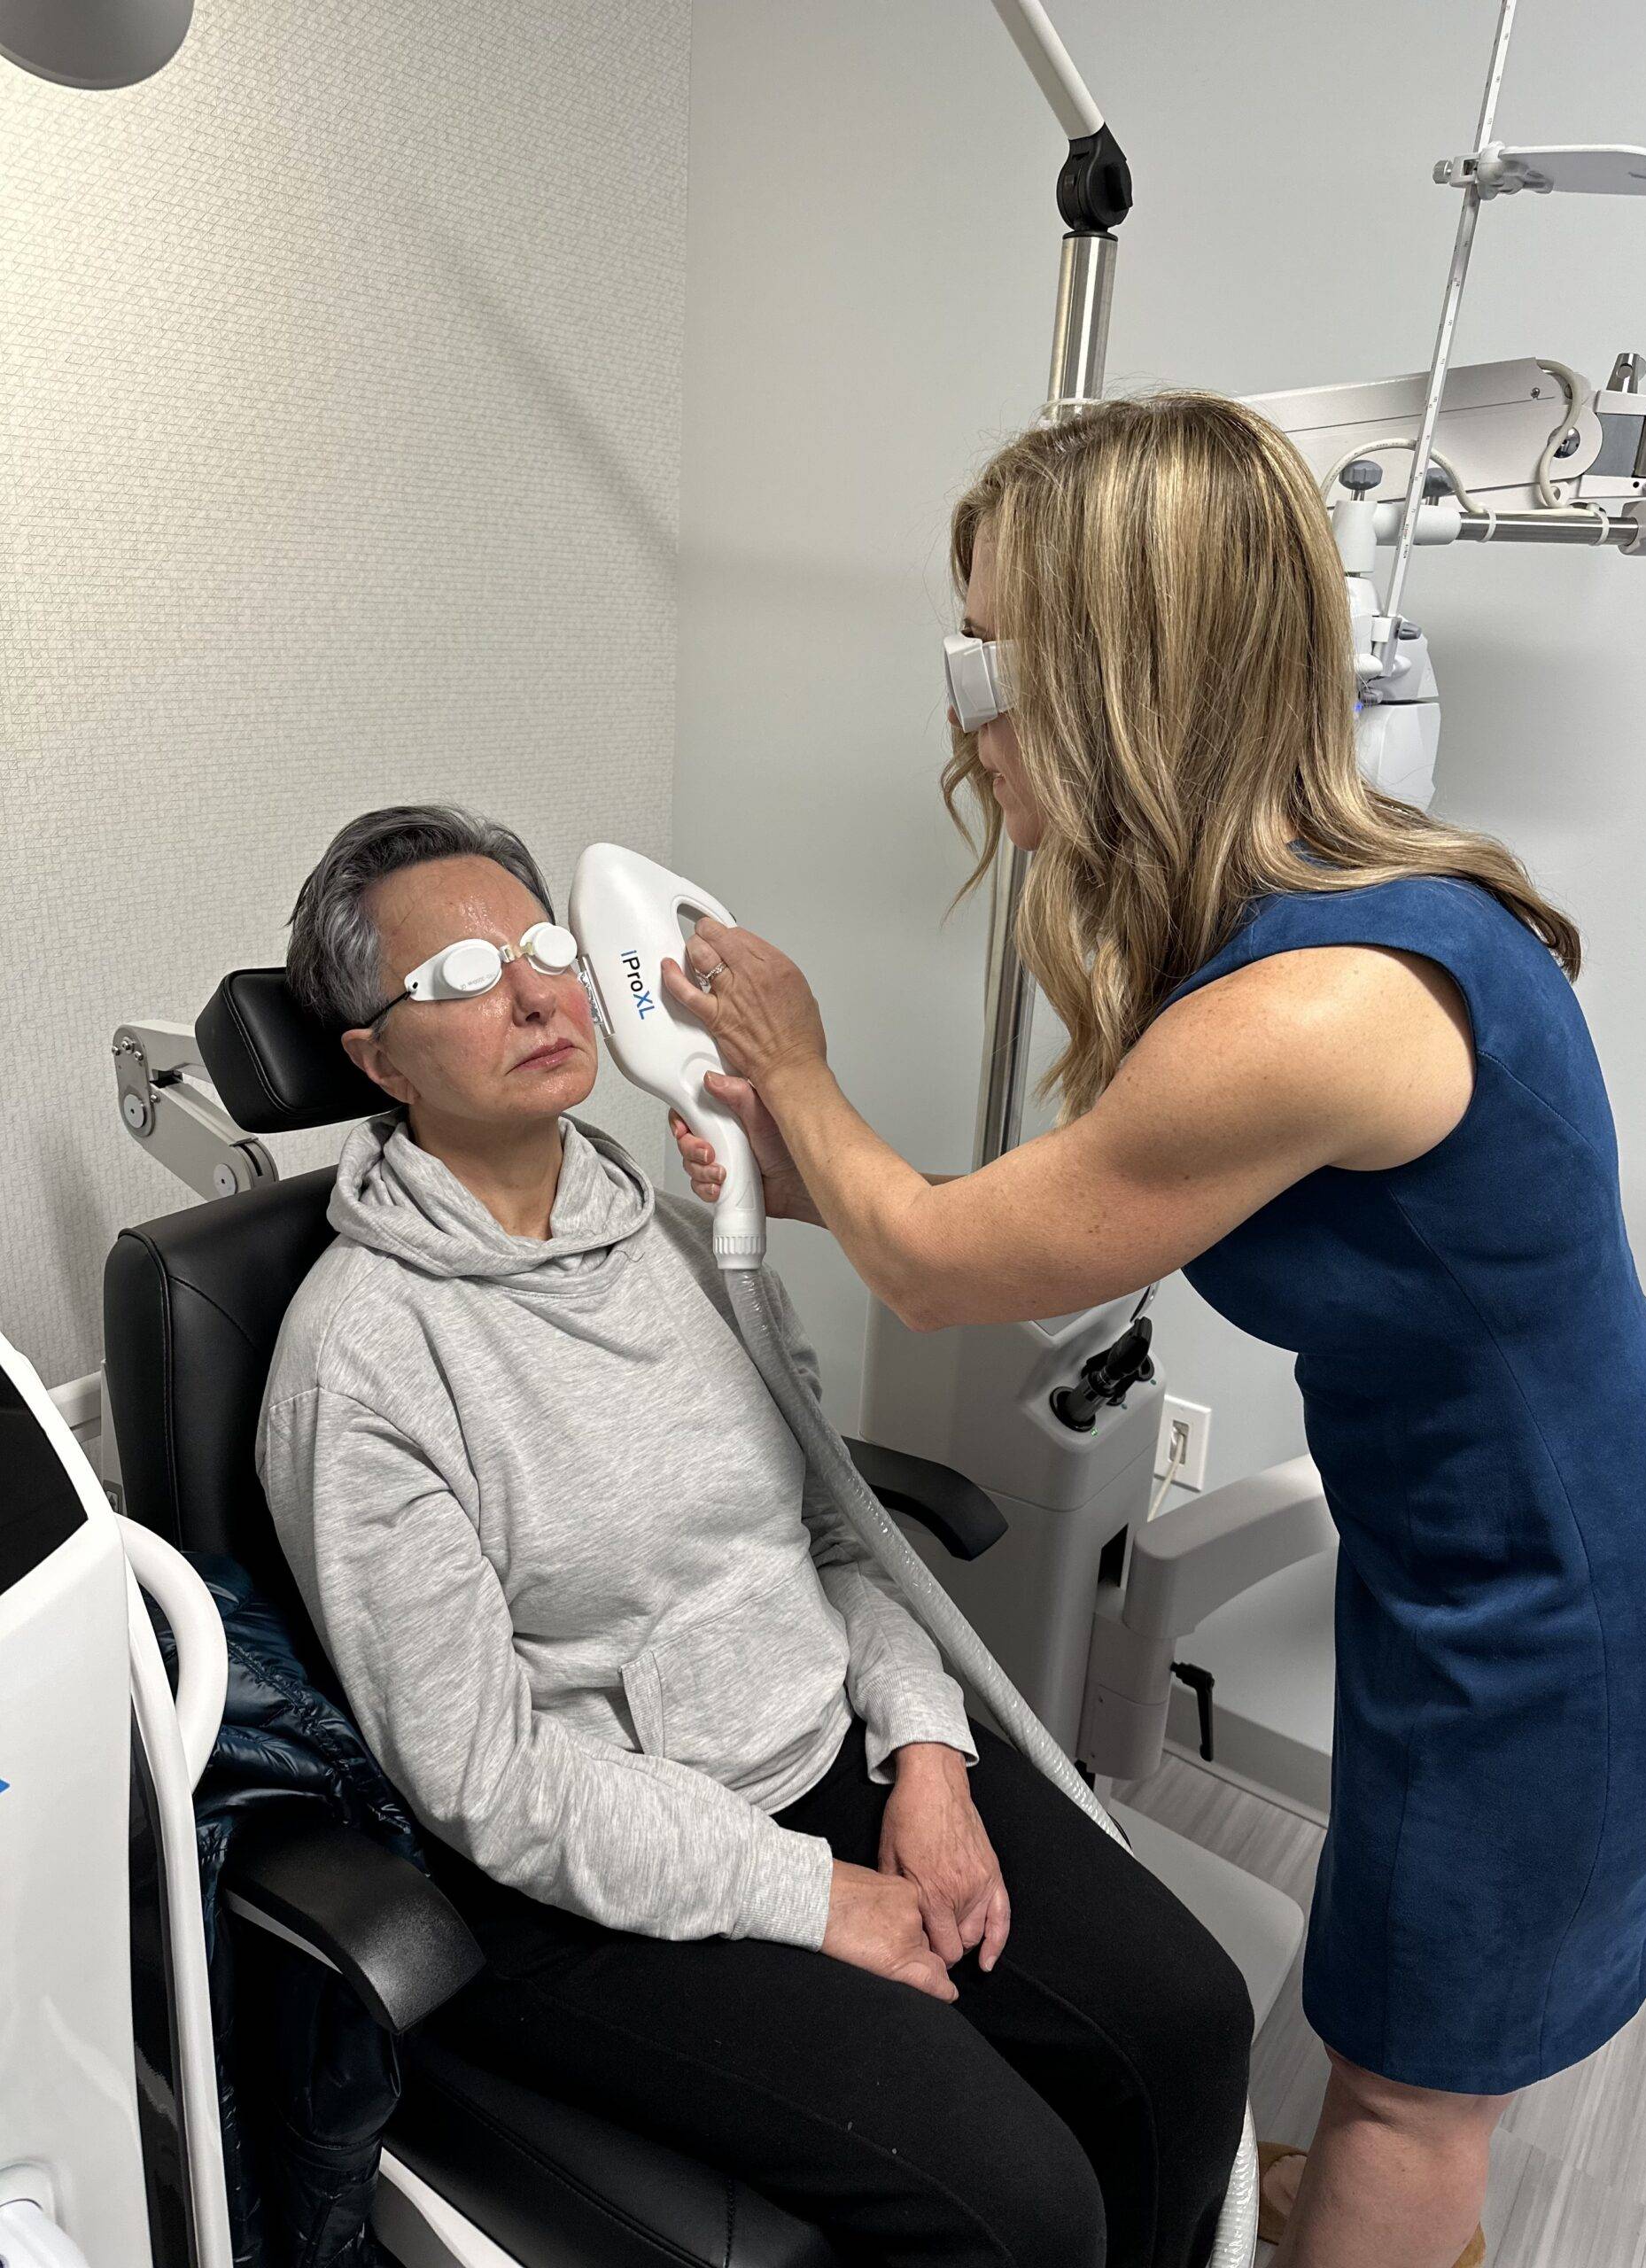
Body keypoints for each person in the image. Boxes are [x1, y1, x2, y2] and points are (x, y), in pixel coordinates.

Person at [661, 392, 1646, 2268]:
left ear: (1127, 668)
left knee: (1409, 2084)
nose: (966, 721)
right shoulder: (1340, 907)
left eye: (989, 657)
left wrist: (796, 1064)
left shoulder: (1310, 1010)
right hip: (1512, 1517)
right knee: (1403, 2009)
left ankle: (1382, 2199)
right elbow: (1049, 1218)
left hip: (1571, 1589)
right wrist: (814, 1177)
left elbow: (943, 1271)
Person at [256, 802, 1253, 2268]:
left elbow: (837, 1539)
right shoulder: (362, 1364)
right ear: (377, 1059)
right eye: (460, 978)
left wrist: (928, 1751)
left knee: (1189, 2021)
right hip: (597, 1874)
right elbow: (490, 1781)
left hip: (825, 1750)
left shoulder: (682, 1239)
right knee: (1025, 2204)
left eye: (545, 951)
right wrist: (807, 1897)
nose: (534, 995)